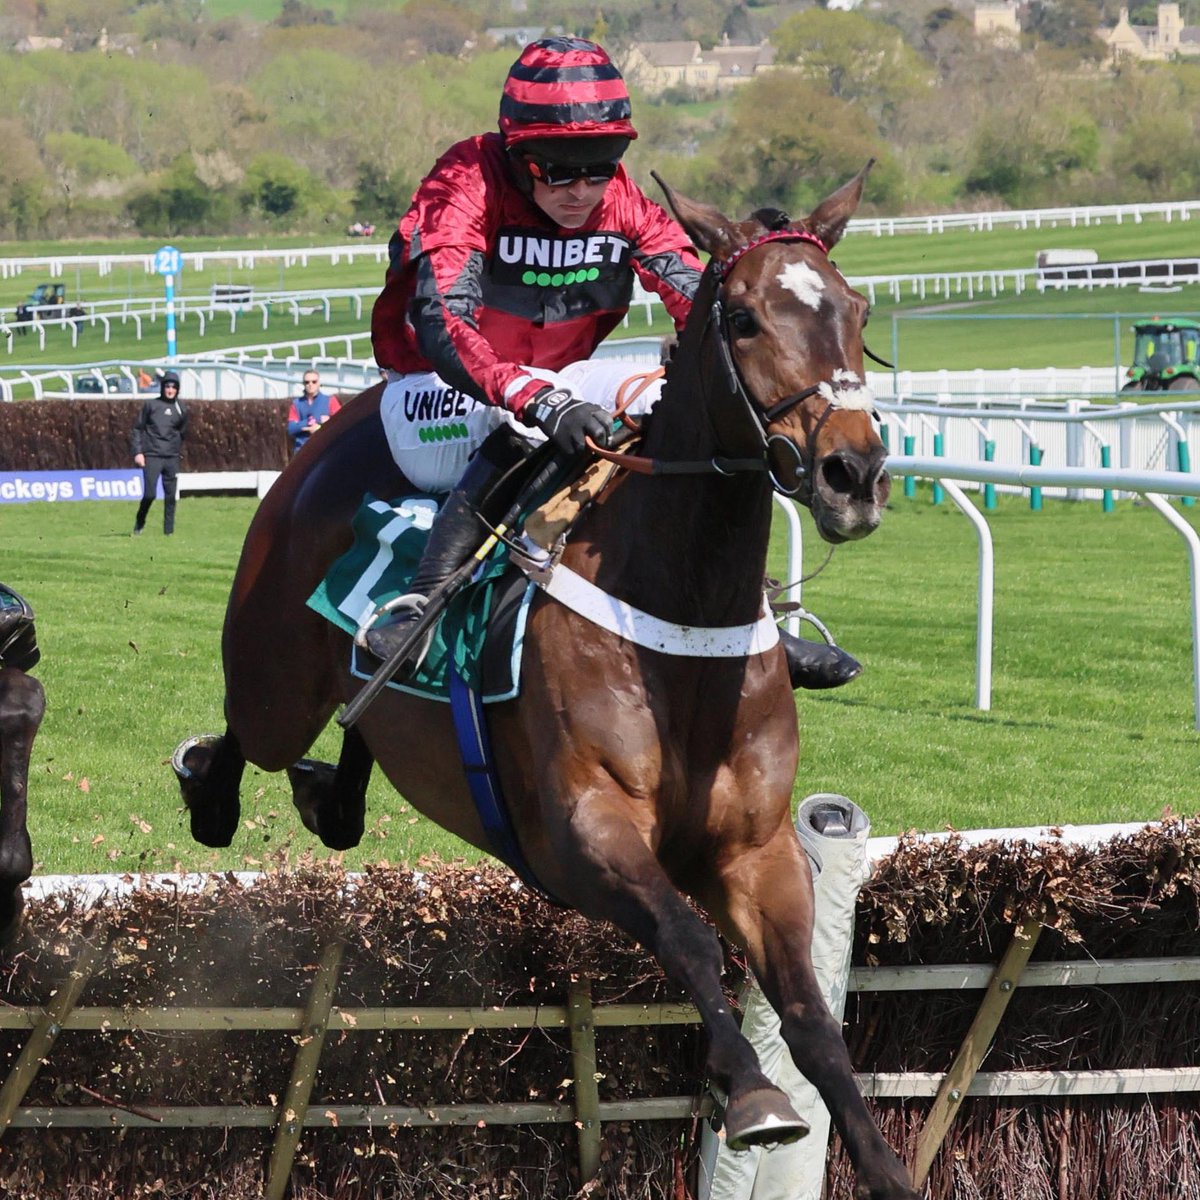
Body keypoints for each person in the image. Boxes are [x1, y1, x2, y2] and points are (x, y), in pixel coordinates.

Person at [364, 36, 860, 691]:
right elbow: (445, 327)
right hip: (431, 391)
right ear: (518, 154)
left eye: (599, 167)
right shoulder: (463, 182)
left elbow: (700, 297)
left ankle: (753, 613)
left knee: (673, 398)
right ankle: (420, 607)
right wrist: (536, 400)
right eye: (556, 170)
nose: (580, 189)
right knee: (529, 412)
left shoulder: (621, 201)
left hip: (556, 382)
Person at [130, 370, 188, 536]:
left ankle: (168, 532)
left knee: (170, 497)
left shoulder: (181, 409)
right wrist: (138, 452)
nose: (170, 390)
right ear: (162, 387)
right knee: (149, 494)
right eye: (167, 386)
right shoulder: (151, 406)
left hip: (171, 457)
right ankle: (140, 522)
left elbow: (182, 432)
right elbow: (137, 429)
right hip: (152, 456)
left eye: (173, 387)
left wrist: (174, 448)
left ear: (177, 389)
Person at [287, 370, 341, 455]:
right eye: (307, 382)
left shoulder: (330, 401)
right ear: (303, 384)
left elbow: (341, 424)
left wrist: (319, 428)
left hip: (325, 448)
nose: (310, 384)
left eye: (314, 382)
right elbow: (292, 429)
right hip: (302, 450)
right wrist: (312, 421)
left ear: (319, 383)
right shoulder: (296, 404)